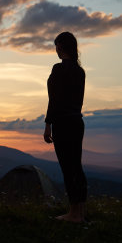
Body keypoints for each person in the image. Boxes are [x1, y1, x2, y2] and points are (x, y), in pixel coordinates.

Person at [43, 31, 87, 223]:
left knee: (68, 168)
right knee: (77, 166)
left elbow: (54, 100)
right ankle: (79, 213)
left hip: (62, 123)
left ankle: (73, 214)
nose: (56, 50)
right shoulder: (80, 71)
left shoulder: (58, 69)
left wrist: (48, 124)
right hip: (77, 122)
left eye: (56, 45)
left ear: (60, 46)